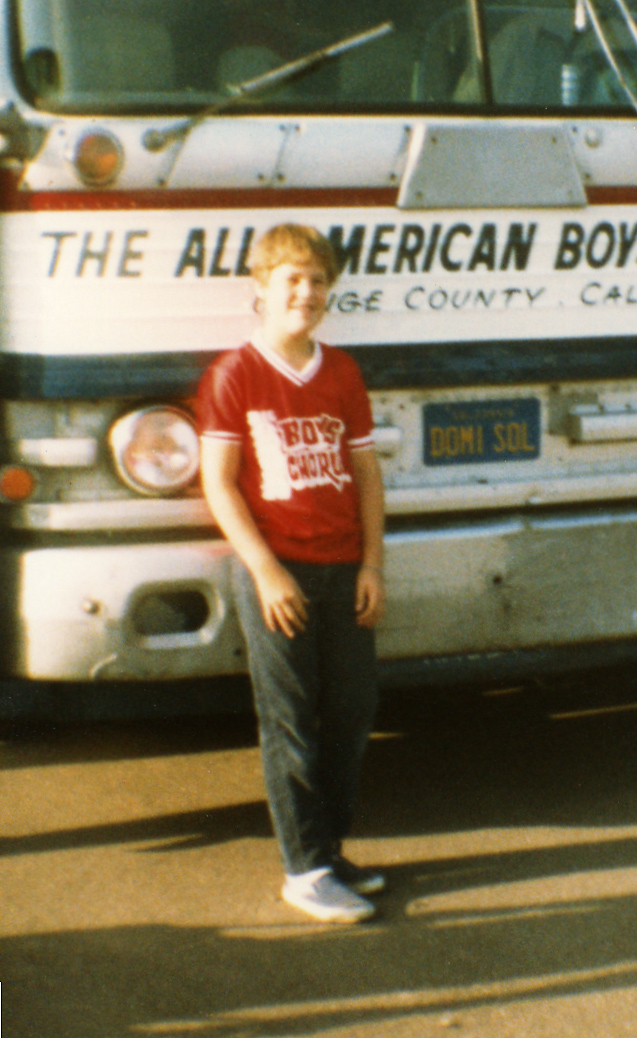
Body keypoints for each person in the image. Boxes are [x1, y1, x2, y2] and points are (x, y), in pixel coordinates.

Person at [197, 223, 386, 923]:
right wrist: (267, 570)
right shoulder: (234, 374)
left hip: (344, 567)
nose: (306, 293)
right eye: (292, 280)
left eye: (318, 281)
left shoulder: (341, 372)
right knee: (291, 721)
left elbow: (366, 472)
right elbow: (219, 482)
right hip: (279, 572)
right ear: (262, 288)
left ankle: (329, 851)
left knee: (352, 710)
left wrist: (372, 564)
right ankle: (305, 872)